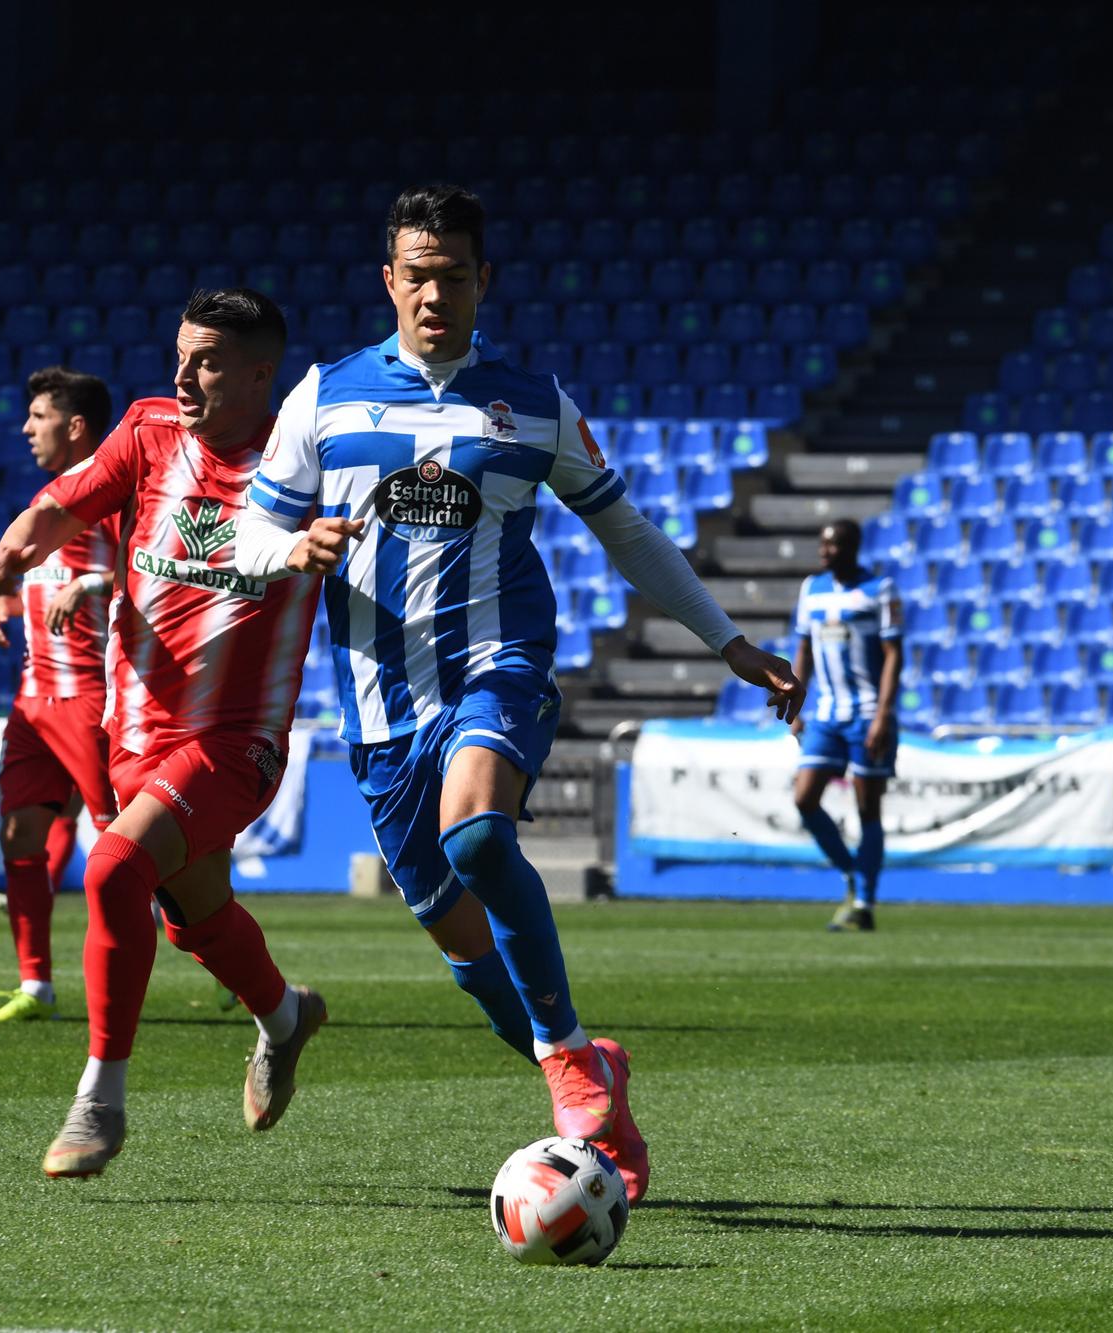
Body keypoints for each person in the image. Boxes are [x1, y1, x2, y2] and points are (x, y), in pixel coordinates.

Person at [233, 184, 805, 1205]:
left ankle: (572, 1070)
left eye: (453, 272)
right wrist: (293, 547)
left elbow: (625, 533)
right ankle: (583, 1066)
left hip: (496, 664)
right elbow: (244, 536)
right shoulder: (323, 397)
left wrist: (727, 641)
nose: (434, 290)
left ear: (481, 279)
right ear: (388, 280)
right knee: (464, 952)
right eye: (416, 271)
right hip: (377, 712)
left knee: (479, 838)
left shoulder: (532, 404)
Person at [0, 289, 326, 1178]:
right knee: (190, 914)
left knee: (114, 864)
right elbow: (64, 504)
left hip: (237, 739)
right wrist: (13, 549)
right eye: (181, 354)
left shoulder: (310, 461)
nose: (182, 373)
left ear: (259, 374)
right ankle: (285, 1015)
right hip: (135, 728)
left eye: (205, 360)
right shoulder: (147, 428)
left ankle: (100, 1098)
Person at [0, 367, 122, 1023]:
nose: (26, 428)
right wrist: (8, 600)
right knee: (20, 834)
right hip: (33, 700)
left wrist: (91, 586)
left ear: (76, 425)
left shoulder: (115, 490)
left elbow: (150, 571)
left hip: (94, 694)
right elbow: (42, 571)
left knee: (128, 848)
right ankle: (36, 984)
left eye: (38, 416)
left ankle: (214, 941)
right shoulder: (50, 496)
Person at [789, 518, 902, 932]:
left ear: (852, 547)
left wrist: (884, 715)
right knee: (804, 798)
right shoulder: (811, 589)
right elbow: (803, 646)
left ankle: (865, 904)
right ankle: (852, 872)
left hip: (868, 713)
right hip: (826, 713)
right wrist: (795, 696)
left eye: (832, 545)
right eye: (822, 545)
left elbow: (893, 655)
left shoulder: (879, 590)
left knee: (867, 807)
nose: (824, 552)